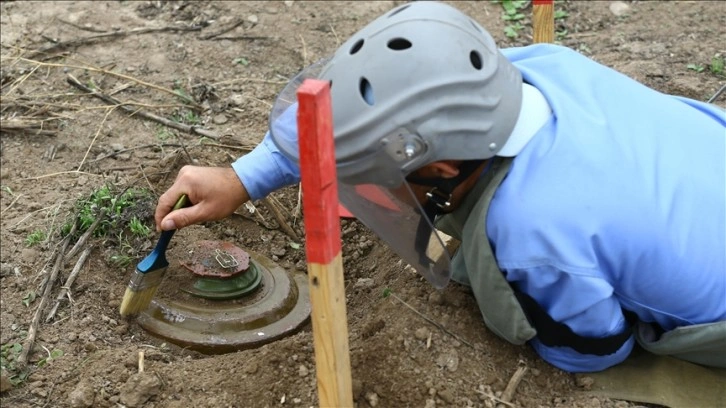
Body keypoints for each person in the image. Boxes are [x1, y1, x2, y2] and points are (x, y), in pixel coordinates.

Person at [154, 1, 726, 373]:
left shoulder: (530, 233)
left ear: (443, 170)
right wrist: (243, 177)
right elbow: (361, 108)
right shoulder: (543, 65)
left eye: (376, 172)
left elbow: (596, 349)